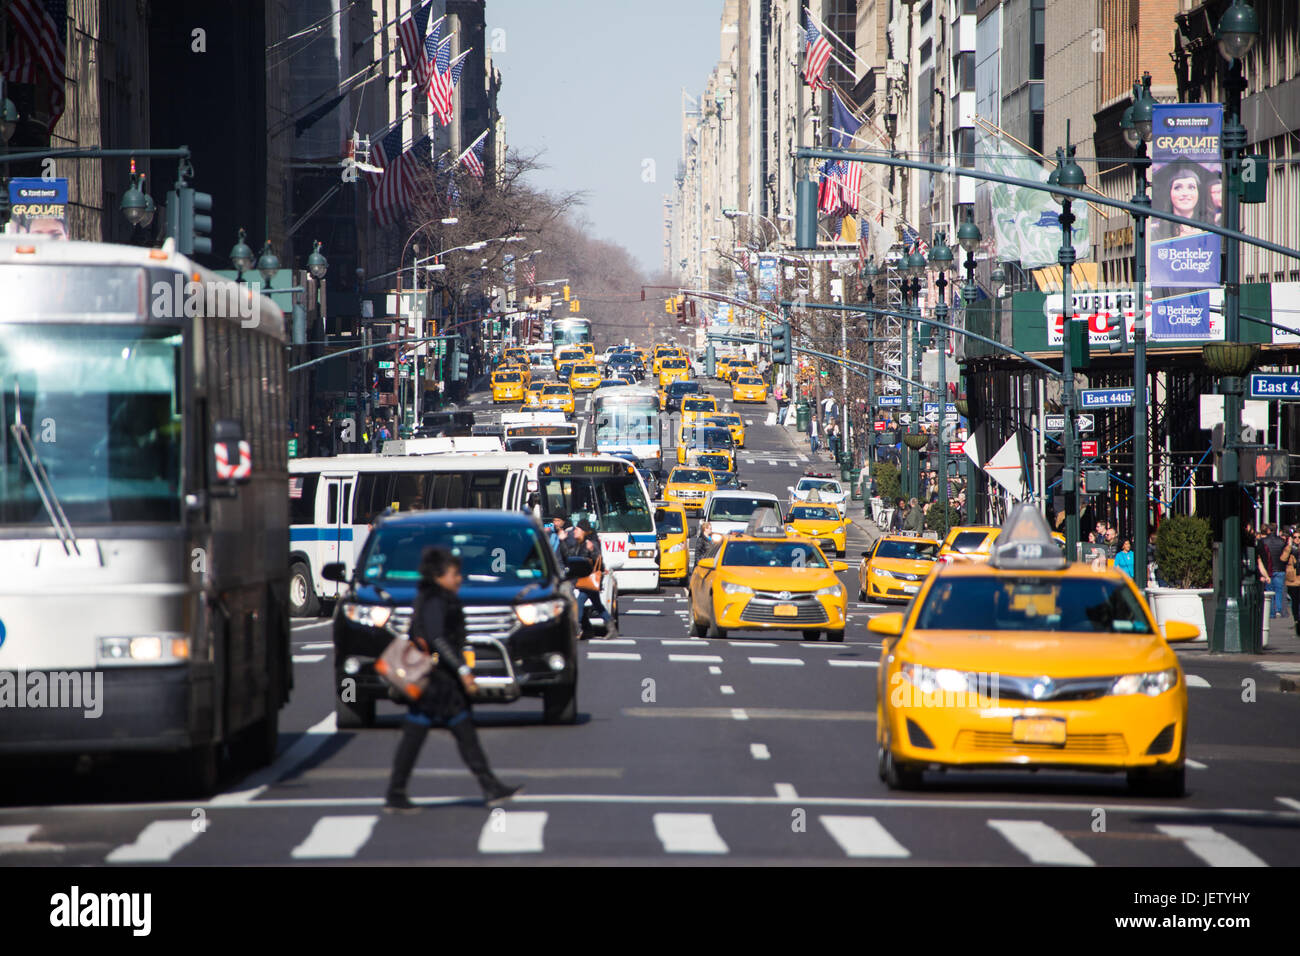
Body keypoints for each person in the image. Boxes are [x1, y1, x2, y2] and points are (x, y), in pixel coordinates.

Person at [384, 548, 523, 812]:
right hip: (438, 681)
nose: (459, 578)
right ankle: (488, 786)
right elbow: (437, 637)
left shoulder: (430, 595)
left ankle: (397, 791)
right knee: (453, 731)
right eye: (454, 573)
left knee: (426, 731)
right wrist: (462, 669)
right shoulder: (437, 599)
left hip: (436, 681)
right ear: (439, 576)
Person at [1258, 524, 1288, 618]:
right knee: (1279, 591)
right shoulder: (1282, 541)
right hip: (1280, 569)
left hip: (1268, 570)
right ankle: (1278, 610)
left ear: (1268, 531)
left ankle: (1271, 612)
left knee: (1269, 591)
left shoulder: (1263, 541)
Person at [1285, 529, 1300, 635]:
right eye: (1295, 537)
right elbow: (1283, 559)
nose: (1297, 539)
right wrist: (1289, 546)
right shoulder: (1289, 549)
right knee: (1295, 601)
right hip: (1293, 579)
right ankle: (1296, 620)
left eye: (1299, 537)